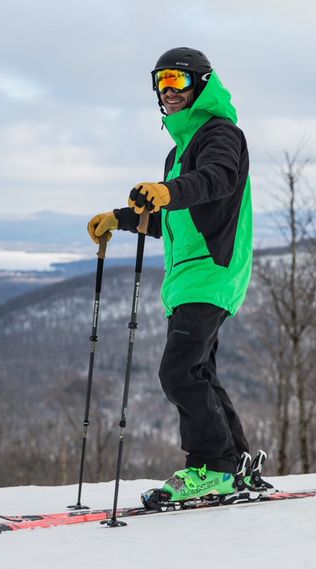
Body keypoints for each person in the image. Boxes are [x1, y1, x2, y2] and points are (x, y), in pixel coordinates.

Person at [86, 47, 267, 503]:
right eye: (161, 81)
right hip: (189, 275)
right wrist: (121, 217)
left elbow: (216, 181)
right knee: (199, 369)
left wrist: (167, 191)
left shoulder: (221, 135)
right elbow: (171, 218)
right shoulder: (177, 152)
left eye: (178, 80)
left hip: (213, 270)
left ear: (201, 84)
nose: (167, 90)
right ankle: (236, 464)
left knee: (178, 370)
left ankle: (211, 466)